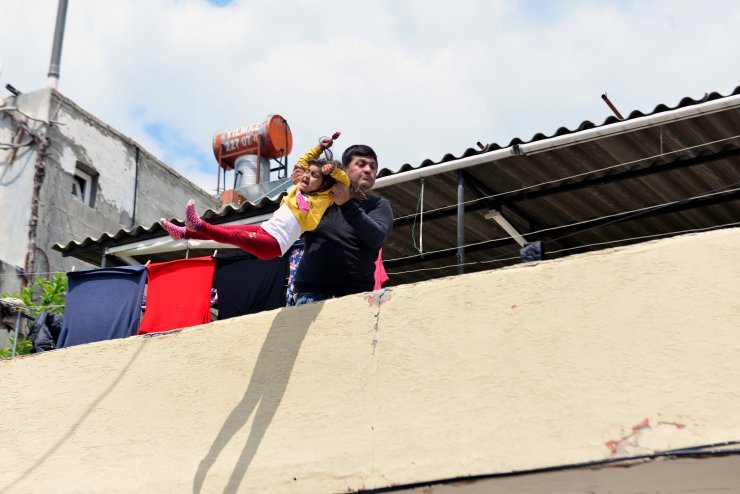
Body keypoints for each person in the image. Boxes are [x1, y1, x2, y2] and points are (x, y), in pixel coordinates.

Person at [160, 133, 349, 261]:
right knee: (226, 230)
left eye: (314, 175)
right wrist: (318, 148)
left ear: (325, 183)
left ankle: (198, 225)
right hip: (264, 229)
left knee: (233, 236)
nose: (307, 175)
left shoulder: (324, 198)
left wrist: (331, 169)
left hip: (273, 244)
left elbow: (345, 181)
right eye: (308, 172)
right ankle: (184, 233)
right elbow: (302, 162)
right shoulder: (299, 186)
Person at [292, 144, 393, 304]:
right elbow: (293, 228)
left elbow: (376, 238)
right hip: (311, 296)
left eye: (372, 167)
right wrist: (300, 191)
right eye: (361, 164)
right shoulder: (319, 198)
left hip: (356, 299)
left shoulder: (378, 204)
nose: (368, 170)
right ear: (344, 170)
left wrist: (346, 204)